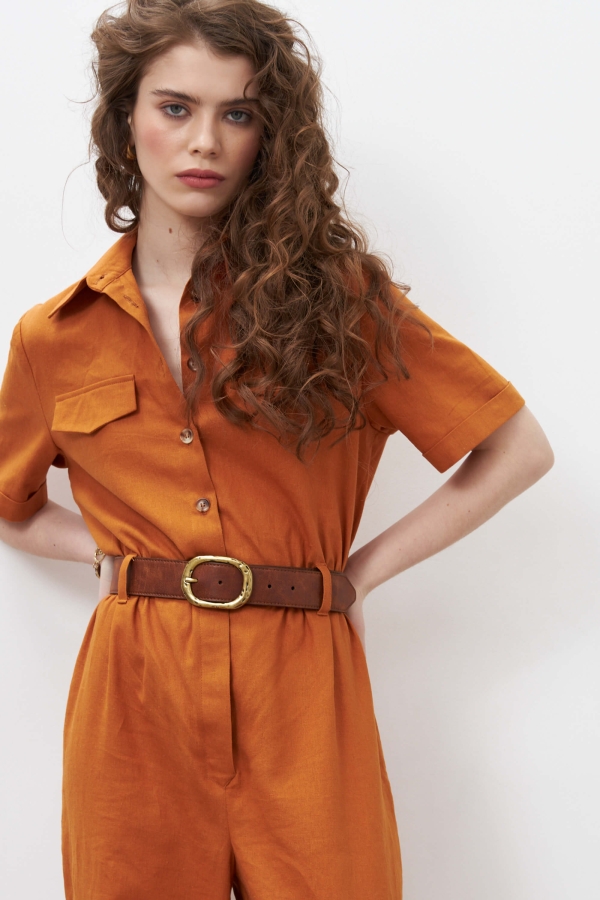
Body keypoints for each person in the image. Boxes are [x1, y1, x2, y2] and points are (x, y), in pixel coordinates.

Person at [0, 0, 554, 897]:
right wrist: (108, 553)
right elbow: (10, 503)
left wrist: (359, 574)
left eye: (238, 113)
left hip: (302, 684)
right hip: (133, 695)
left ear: (271, 136)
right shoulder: (53, 337)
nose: (204, 141)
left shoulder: (341, 304)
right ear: (126, 120)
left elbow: (516, 449)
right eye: (175, 107)